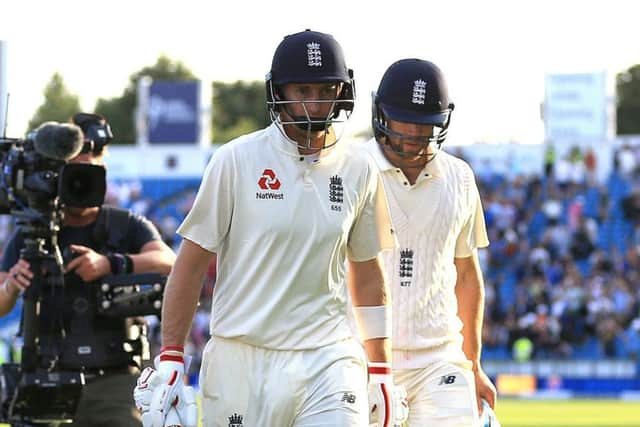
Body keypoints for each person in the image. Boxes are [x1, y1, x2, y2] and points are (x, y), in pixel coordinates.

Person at [134, 29, 407, 427]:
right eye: (302, 90)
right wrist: (172, 355)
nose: (314, 103)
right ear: (278, 91)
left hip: (327, 356)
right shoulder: (235, 161)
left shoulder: (360, 167)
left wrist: (380, 368)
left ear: (342, 92)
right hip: (242, 358)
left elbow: (367, 273)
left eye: (325, 90)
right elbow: (190, 267)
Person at [0, 113, 176, 426]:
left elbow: (169, 262)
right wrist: (12, 285)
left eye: (89, 173)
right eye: (72, 173)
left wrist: (112, 263)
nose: (79, 183)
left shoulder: (125, 225)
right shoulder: (32, 230)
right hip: (45, 378)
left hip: (114, 381)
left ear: (103, 172)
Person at [363, 58, 497, 426]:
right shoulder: (349, 168)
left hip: (439, 359)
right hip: (359, 359)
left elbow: (467, 276)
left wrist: (474, 364)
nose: (412, 134)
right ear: (381, 115)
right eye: (403, 122)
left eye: (424, 126)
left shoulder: (460, 177)